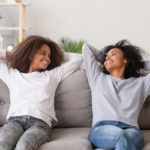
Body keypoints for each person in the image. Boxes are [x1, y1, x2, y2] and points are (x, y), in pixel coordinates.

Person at [0, 35, 82, 150]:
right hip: (15, 121)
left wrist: (57, 56)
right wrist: (13, 54)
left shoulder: (52, 76)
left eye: (49, 56)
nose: (47, 58)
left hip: (40, 124)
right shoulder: (13, 75)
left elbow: (79, 58)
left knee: (23, 147)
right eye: (43, 53)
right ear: (30, 53)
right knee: (2, 144)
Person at [82, 40, 149, 150]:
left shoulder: (141, 83)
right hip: (102, 128)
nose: (107, 58)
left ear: (125, 60)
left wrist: (138, 64)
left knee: (125, 137)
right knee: (120, 136)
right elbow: (86, 47)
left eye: (113, 54)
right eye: (106, 57)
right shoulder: (97, 78)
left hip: (131, 129)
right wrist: (107, 58)